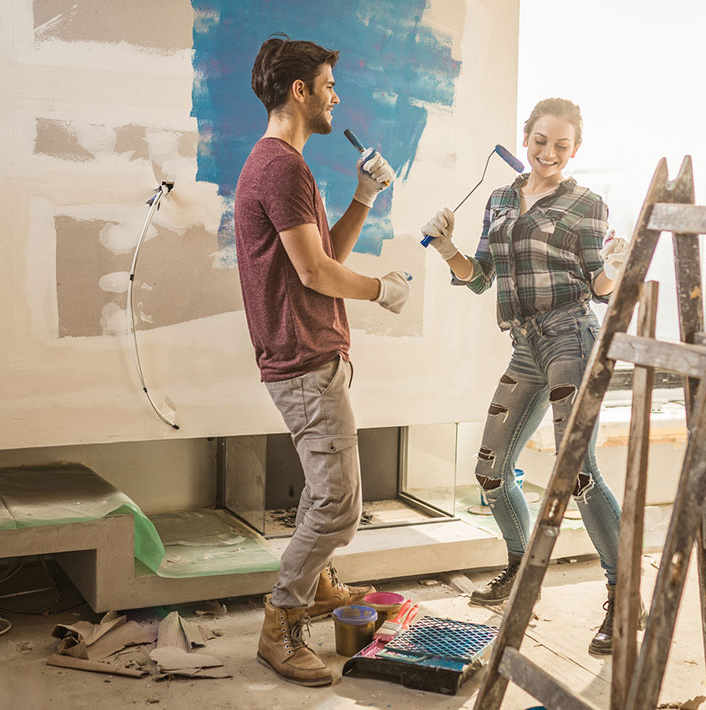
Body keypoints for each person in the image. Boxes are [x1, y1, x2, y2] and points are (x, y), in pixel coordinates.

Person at [420, 97, 636, 655]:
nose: (548, 153)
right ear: (526, 137)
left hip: (570, 337)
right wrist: (445, 247)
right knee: (490, 470)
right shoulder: (499, 201)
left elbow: (600, 287)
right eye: (541, 141)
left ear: (575, 149)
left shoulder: (587, 204)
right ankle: (521, 570)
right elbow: (479, 276)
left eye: (561, 146)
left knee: (575, 472)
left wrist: (614, 266)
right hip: (524, 345)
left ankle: (624, 596)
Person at [234, 35, 408, 687]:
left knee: (323, 488)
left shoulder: (283, 165)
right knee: (338, 504)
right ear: (300, 91)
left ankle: (321, 581)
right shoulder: (281, 166)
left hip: (309, 354)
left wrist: (364, 196)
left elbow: (319, 252)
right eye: (329, 85)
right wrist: (381, 290)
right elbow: (315, 273)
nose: (338, 97)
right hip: (304, 358)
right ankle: (281, 623)